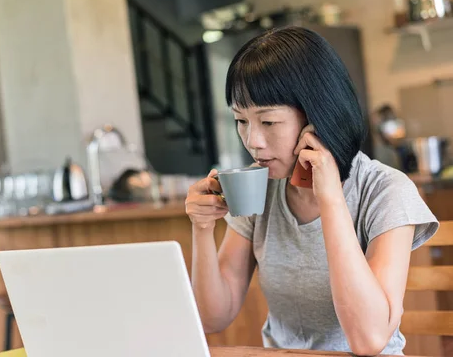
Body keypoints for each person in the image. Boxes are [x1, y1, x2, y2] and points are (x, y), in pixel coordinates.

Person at [186, 26, 438, 356]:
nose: (252, 141)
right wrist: (203, 230)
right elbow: (211, 318)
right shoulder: (257, 186)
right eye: (241, 121)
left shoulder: (385, 190)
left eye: (269, 122)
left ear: (316, 116)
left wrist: (330, 197)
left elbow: (369, 340)